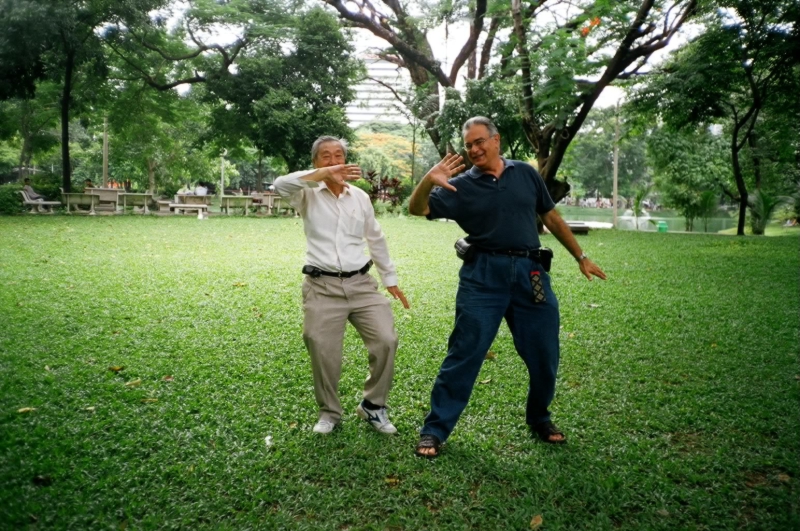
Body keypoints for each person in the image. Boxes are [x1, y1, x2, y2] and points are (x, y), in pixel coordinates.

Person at [408, 116, 607, 458]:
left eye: (479, 141)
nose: (474, 149)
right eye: (468, 145)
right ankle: (435, 430)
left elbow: (551, 216)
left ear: (496, 140)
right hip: (482, 276)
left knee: (545, 351)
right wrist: (428, 180)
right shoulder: (460, 185)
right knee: (465, 351)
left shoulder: (526, 174)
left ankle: (539, 417)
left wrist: (580, 255)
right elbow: (416, 208)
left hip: (532, 276)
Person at [273, 136, 410, 435]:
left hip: (361, 284)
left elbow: (375, 237)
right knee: (321, 347)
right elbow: (279, 184)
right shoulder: (305, 193)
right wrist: (322, 176)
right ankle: (330, 412)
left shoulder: (359, 198)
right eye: (325, 156)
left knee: (386, 339)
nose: (334, 160)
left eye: (339, 155)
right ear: (315, 162)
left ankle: (373, 406)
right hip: (321, 287)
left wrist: (390, 279)